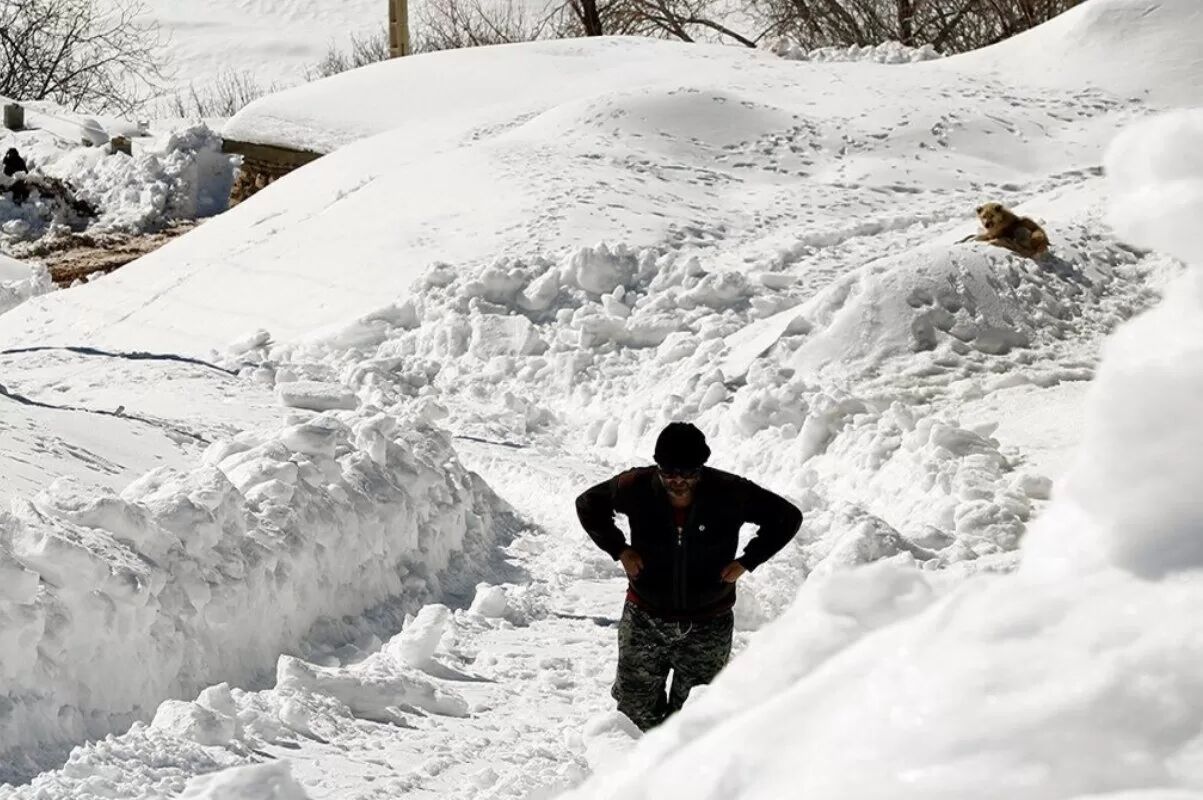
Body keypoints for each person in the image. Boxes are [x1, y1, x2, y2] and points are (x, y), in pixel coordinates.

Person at [575, 422, 802, 731]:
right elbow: (588, 505)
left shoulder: (730, 491)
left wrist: (747, 561)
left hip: (708, 624)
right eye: (668, 473)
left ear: (701, 468)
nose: (677, 482)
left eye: (688, 474)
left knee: (695, 721)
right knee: (634, 714)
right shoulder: (637, 486)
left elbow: (787, 517)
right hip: (645, 618)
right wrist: (620, 550)